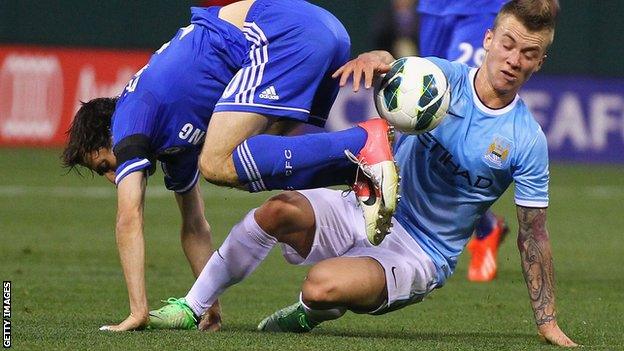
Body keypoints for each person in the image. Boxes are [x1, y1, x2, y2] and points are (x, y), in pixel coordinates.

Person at [149, 0, 578, 347]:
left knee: (320, 288)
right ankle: (192, 306)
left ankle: (307, 315)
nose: (513, 59)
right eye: (507, 44)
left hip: (419, 252)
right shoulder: (444, 78)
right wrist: (378, 57)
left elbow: (533, 234)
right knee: (277, 211)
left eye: (528, 53)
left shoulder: (526, 141)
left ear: (540, 62)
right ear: (489, 39)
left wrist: (548, 321)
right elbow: (401, 69)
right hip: (366, 203)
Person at [61, 0, 400, 332]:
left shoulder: (128, 117)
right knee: (253, 162)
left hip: (278, 31)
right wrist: (207, 306)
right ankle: (359, 168)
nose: (111, 177)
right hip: (322, 30)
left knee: (216, 162)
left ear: (110, 134)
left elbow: (129, 217)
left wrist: (138, 311)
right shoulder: (170, 141)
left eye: (105, 164)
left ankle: (361, 142)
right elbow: (195, 226)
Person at [418, 0, 511, 282]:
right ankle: (486, 225)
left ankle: (481, 229)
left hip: (481, 9)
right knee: (425, 113)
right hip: (433, 10)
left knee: (459, 109)